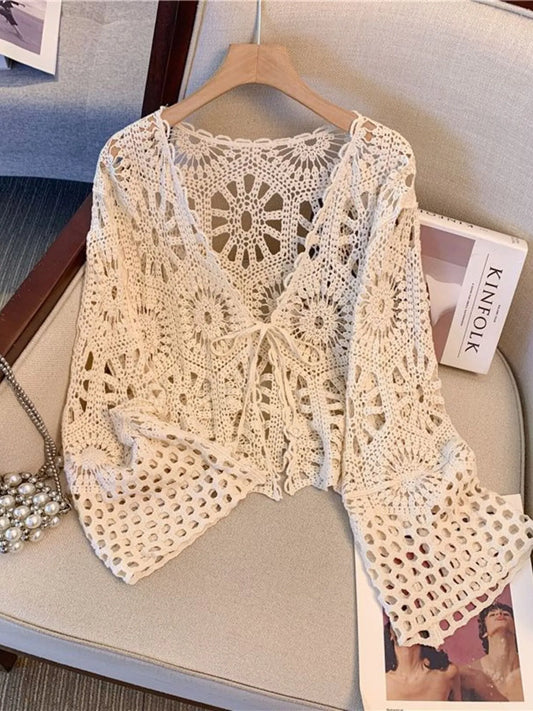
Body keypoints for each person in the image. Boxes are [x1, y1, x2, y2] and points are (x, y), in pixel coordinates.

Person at [459, 602, 524, 701]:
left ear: (515, 628)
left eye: (506, 614)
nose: (499, 613)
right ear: (484, 632)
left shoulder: (528, 666)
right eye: (492, 614)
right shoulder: (472, 672)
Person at [384, 620, 461, 701]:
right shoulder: (382, 681)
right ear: (390, 630)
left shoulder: (448, 674)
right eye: (396, 617)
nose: (405, 624)